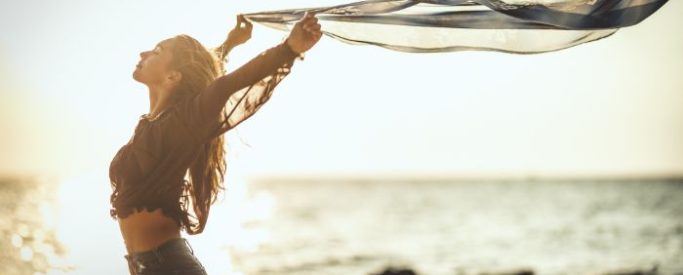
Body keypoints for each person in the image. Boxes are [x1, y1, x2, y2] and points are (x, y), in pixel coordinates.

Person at [108, 13, 322, 275]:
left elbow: (223, 87)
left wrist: (288, 49)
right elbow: (197, 73)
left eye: (156, 51)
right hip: (147, 267)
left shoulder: (184, 121)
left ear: (173, 77)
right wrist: (228, 45)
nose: (143, 53)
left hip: (169, 267)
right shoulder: (157, 123)